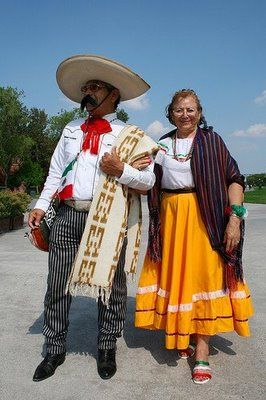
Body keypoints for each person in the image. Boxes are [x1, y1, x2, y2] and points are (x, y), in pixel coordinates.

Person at [28, 54, 157, 382]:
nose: (87, 92)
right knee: (57, 284)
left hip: (108, 219)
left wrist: (122, 169)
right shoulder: (71, 130)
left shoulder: (130, 134)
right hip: (69, 215)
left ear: (113, 94)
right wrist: (41, 206)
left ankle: (106, 347)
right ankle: (54, 348)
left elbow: (148, 181)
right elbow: (56, 173)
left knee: (111, 286)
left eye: (94, 86)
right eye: (85, 87)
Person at [135, 89, 253, 384]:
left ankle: (202, 350)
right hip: (171, 219)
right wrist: (129, 168)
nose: (185, 115)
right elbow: (146, 184)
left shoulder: (212, 141)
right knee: (180, 279)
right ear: (170, 114)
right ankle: (183, 331)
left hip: (207, 218)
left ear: (200, 113)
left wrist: (234, 219)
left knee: (205, 279)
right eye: (179, 110)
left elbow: (234, 179)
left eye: (190, 109)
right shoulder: (161, 145)